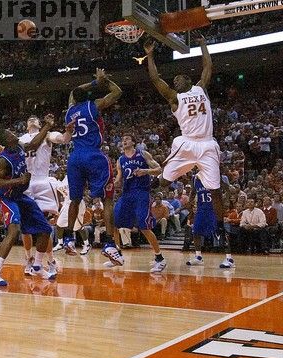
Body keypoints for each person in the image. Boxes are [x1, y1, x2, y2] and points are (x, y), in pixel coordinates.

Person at [144, 36, 225, 238]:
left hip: (207, 143)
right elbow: (155, 80)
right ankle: (145, 189)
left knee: (215, 190)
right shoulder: (174, 97)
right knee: (163, 182)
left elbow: (207, 68)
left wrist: (203, 45)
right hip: (187, 142)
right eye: (174, 80)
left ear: (188, 80)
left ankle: (221, 229)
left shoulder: (200, 88)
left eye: (178, 78)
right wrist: (150, 56)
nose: (175, 81)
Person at [64, 68, 125, 267]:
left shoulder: (69, 111)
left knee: (75, 199)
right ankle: (109, 242)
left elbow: (74, 92)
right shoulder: (93, 106)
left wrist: (91, 84)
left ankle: (68, 237)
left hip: (75, 157)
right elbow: (117, 93)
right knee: (107, 199)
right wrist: (103, 81)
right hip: (93, 155)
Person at [0, 129, 54, 286]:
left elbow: (34, 144)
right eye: (10, 134)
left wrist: (46, 126)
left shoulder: (19, 147)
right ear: (6, 141)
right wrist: (19, 181)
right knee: (14, 230)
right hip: (7, 198)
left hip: (20, 196)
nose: (13, 134)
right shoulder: (3, 160)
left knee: (45, 229)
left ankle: (37, 266)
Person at [17, 114, 73, 273]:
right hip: (25, 183)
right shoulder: (20, 139)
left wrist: (68, 132)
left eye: (35, 118)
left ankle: (50, 260)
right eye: (29, 119)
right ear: (26, 125)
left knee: (44, 226)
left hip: (42, 181)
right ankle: (29, 259)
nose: (32, 119)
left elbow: (62, 139)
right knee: (25, 229)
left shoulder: (47, 134)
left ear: (40, 123)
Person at [113, 134, 166, 272]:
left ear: (133, 142)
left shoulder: (143, 154)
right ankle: (117, 255)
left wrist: (145, 171)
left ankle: (160, 258)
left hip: (142, 193)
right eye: (123, 140)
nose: (124, 141)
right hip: (127, 194)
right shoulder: (120, 160)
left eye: (127, 139)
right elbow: (119, 180)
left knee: (143, 226)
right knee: (113, 222)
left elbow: (159, 169)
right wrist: (114, 183)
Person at [186, 176, 235, 268]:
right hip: (201, 209)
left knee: (220, 232)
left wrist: (226, 200)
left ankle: (229, 259)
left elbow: (227, 188)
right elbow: (193, 192)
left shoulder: (213, 173)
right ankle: (198, 256)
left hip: (214, 209)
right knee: (195, 231)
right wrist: (190, 201)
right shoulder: (195, 178)